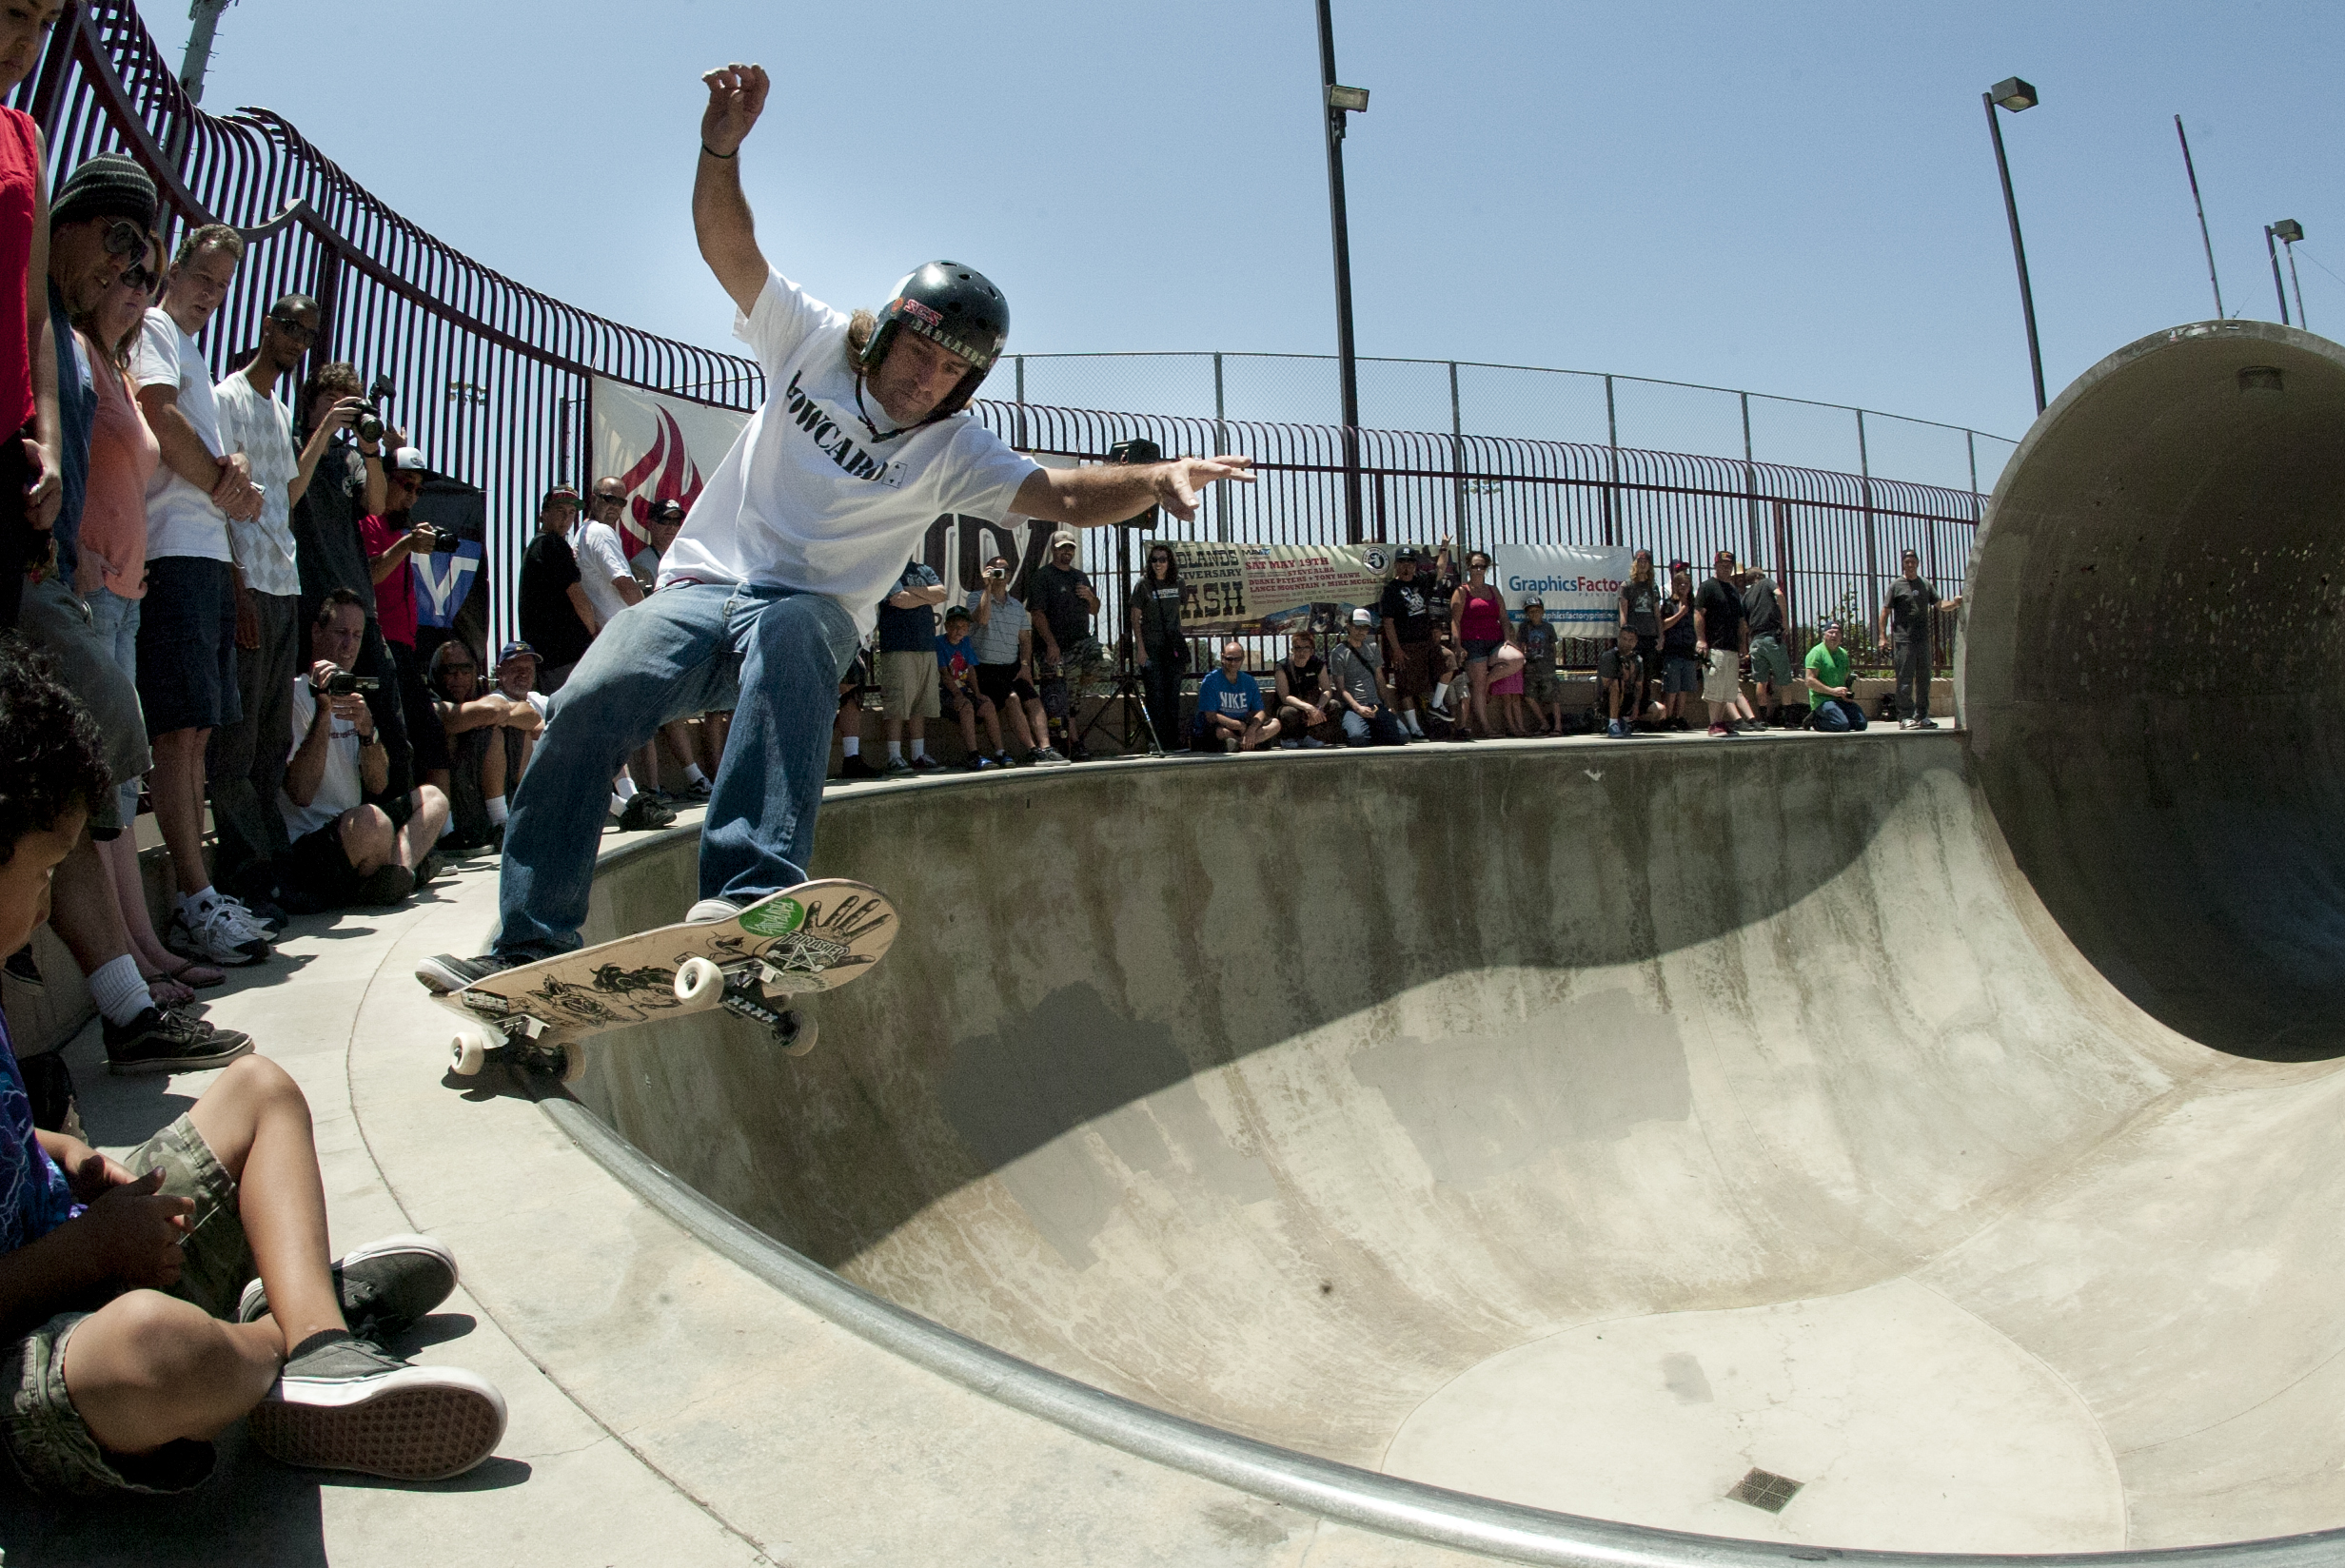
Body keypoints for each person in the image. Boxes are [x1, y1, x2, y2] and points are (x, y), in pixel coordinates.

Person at [418, 60, 1251, 990]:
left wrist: (1156, 476)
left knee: (795, 616)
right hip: (700, 592)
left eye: (951, 373)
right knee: (586, 702)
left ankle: (745, 899)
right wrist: (719, 149)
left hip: (799, 627)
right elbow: (729, 249)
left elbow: (1062, 493)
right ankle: (527, 947)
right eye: (922, 352)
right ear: (889, 332)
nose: (926, 379)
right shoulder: (811, 342)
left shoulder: (953, 448)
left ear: (966, 387)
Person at [0, 640, 507, 1490]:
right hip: (37, 1350)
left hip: (79, 1250)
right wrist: (88, 1257)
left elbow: (16, 1135)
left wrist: (77, 1161)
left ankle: (317, 1349)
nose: (53, 904)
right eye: (45, 872)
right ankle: (277, 1326)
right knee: (157, 1354)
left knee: (260, 1090)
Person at [130, 224, 273, 967]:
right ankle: (192, 896)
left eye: (223, 285)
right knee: (178, 733)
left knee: (199, 733)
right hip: (173, 550)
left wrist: (233, 466)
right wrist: (225, 480)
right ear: (174, 270)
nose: (211, 295)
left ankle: (202, 892)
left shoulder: (191, 349)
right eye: (203, 277)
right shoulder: (154, 328)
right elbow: (157, 413)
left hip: (209, 558)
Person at [208, 294, 327, 895]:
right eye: (289, 329)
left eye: (307, 335)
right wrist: (236, 586)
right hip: (249, 581)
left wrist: (327, 429)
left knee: (274, 738)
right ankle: (246, 876)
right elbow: (219, 496)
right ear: (265, 326)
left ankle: (270, 867)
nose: (297, 342)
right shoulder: (226, 397)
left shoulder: (278, 410)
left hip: (285, 583)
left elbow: (289, 493)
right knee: (241, 738)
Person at [255, 591, 449, 912]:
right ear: (317, 633)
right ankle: (398, 872)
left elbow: (376, 784)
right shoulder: (293, 695)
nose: (349, 645)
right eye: (340, 633)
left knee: (434, 799)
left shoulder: (356, 694)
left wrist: (368, 733)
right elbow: (301, 793)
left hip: (354, 830)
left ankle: (394, 875)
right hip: (309, 843)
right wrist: (323, 711)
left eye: (357, 635)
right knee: (375, 824)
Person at [286, 362, 402, 786]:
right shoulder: (294, 442)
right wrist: (323, 432)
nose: (339, 410)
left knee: (383, 710)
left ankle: (392, 814)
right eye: (331, 401)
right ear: (311, 403)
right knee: (311, 706)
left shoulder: (349, 456)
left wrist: (370, 451)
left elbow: (375, 503)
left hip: (358, 607)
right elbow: (288, 489)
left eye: (346, 404)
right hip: (310, 602)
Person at [0, 8, 63, 634]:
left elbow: (35, 310)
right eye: (16, 12)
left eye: (45, 23)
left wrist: (50, 444)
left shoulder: (25, 136)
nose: (29, 41)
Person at [356, 447, 458, 797]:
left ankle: (439, 833)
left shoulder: (401, 528)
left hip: (406, 648)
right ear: (383, 481)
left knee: (431, 741)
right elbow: (368, 575)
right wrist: (406, 545)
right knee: (396, 741)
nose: (412, 497)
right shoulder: (368, 520)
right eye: (406, 485)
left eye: (418, 490)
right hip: (378, 644)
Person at [429, 638, 540, 851]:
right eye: (450, 670)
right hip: (455, 801)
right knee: (444, 736)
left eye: (465, 669)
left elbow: (530, 716)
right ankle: (447, 833)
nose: (458, 677)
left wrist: (495, 716)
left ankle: (502, 822)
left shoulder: (481, 697)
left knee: (510, 730)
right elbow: (450, 719)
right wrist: (493, 713)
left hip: (480, 797)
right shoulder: (429, 700)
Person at [969, 550, 1054, 765]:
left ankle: (1047, 748)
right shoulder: (974, 598)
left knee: (1033, 699)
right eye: (996, 570)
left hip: (1012, 666)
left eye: (1005, 570)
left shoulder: (1016, 605)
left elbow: (1025, 639)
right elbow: (982, 619)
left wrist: (1025, 665)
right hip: (985, 668)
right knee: (1013, 699)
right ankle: (1032, 750)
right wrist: (987, 587)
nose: (1001, 574)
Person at [1027, 529, 1102, 760]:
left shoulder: (1079, 576)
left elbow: (1095, 609)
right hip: (1055, 647)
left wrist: (1090, 597)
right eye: (1063, 548)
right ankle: (1073, 743)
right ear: (1053, 550)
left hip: (1081, 642)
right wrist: (1051, 644)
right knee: (1062, 698)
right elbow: (1037, 613)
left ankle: (1076, 693)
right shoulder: (1043, 576)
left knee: (1104, 662)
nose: (1067, 552)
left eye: (1070, 548)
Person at [517, 484, 592, 690]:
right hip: (564, 657)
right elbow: (576, 595)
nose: (566, 518)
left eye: (571, 512)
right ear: (544, 514)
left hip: (549, 658)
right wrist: (595, 632)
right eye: (560, 510)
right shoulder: (552, 544)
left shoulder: (537, 545)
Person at [877, 555, 947, 774]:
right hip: (898, 645)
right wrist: (928, 596)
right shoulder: (887, 567)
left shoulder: (923, 569)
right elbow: (899, 599)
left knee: (920, 703)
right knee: (898, 703)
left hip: (926, 644)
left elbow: (942, 594)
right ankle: (894, 757)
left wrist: (912, 592)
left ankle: (918, 755)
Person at [1881, 547, 1960, 730]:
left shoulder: (1925, 585)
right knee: (1905, 678)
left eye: (1913, 561)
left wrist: (1955, 604)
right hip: (1903, 640)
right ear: (1903, 564)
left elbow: (1940, 605)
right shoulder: (1896, 585)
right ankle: (1905, 717)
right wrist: (1882, 637)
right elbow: (1885, 612)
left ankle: (1922, 716)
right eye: (1907, 561)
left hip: (1922, 640)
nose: (1910, 564)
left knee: (1925, 679)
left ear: (1917, 563)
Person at [1376, 546, 1439, 741]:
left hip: (1425, 642)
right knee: (1405, 686)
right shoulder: (1391, 590)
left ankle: (1437, 707)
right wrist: (1396, 649)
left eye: (1410, 562)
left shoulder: (1422, 581)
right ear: (1396, 565)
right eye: (1402, 562)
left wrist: (1444, 548)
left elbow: (1441, 571)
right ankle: (1414, 727)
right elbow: (1388, 622)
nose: (1406, 567)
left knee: (1448, 662)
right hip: (1404, 645)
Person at [1130, 540, 1186, 755]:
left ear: (1169, 562)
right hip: (1151, 646)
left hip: (1173, 646)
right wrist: (1140, 649)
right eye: (1154, 560)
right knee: (1155, 694)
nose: (1158, 564)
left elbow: (1181, 609)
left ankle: (1173, 742)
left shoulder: (1178, 582)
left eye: (1162, 559)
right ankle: (1156, 741)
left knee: (1173, 695)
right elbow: (1135, 617)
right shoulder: (1143, 584)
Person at [1694, 549, 1755, 737]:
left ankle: (1721, 721)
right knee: (1715, 686)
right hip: (1714, 645)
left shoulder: (1733, 591)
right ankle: (1713, 724)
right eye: (1723, 566)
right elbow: (1698, 614)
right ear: (1715, 566)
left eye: (1729, 567)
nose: (1726, 569)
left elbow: (1740, 621)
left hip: (1731, 647)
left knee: (1727, 688)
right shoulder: (1707, 587)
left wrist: (1743, 645)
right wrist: (1701, 639)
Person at [1447, 549, 1506, 739]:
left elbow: (1503, 618)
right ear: (1468, 568)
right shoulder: (1461, 591)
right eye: (1474, 566)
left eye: (1482, 566)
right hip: (1473, 643)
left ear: (1486, 569)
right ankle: (1487, 727)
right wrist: (1458, 645)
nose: (1478, 569)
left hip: (1495, 641)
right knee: (1478, 685)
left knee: (1517, 659)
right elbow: (1455, 621)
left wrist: (1509, 640)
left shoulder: (1493, 590)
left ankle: (1488, 681)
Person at [934, 606, 1001, 769]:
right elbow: (944, 673)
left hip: (964, 691)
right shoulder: (939, 643)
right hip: (945, 694)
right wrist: (958, 695)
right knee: (966, 707)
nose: (959, 631)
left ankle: (1000, 753)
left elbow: (970, 669)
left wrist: (977, 693)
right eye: (955, 626)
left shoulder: (966, 643)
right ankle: (973, 755)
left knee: (987, 706)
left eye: (963, 627)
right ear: (947, 626)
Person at [1329, 607, 1404, 746]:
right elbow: (1341, 688)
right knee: (1357, 738)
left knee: (1402, 736)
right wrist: (1357, 708)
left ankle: (1375, 729)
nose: (1361, 631)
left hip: (1375, 704)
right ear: (1349, 626)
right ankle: (1362, 729)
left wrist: (1388, 705)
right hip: (1354, 706)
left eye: (1365, 627)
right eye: (1358, 627)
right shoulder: (1338, 652)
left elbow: (1380, 679)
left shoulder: (1372, 647)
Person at [1192, 640, 1278, 753]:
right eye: (1229, 659)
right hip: (1221, 726)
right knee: (1221, 732)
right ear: (1222, 658)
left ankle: (1239, 744)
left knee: (1275, 724)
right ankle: (1249, 743)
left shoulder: (1249, 681)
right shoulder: (1210, 680)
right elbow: (1211, 716)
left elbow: (1260, 712)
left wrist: (1251, 729)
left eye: (1237, 659)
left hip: (1243, 727)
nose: (1233, 663)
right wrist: (1238, 726)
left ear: (1242, 659)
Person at [1740, 561, 1794, 730]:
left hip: (1755, 641)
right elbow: (1779, 595)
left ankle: (1763, 718)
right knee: (1784, 679)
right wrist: (1785, 622)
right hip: (1772, 637)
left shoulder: (1746, 596)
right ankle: (1789, 719)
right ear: (1758, 576)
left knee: (1760, 680)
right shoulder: (1767, 583)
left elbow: (1743, 624)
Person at [1271, 628, 1333, 749]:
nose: (1301, 652)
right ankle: (1288, 738)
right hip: (1293, 706)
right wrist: (1308, 708)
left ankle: (1315, 737)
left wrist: (1318, 708)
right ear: (1292, 650)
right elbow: (1285, 697)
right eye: (1297, 648)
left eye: (1305, 648)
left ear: (1312, 650)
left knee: (1334, 705)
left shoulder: (1318, 664)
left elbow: (1327, 689)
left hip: (1313, 705)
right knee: (1288, 712)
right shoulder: (1282, 666)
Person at [1803, 620, 1867, 732]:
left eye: (1837, 633)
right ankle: (1815, 720)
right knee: (1841, 725)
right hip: (1822, 700)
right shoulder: (1816, 653)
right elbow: (1809, 681)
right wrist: (1832, 691)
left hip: (1839, 699)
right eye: (1831, 632)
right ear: (1824, 635)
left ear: (1841, 636)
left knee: (1861, 724)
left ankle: (1839, 719)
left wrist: (1846, 694)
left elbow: (1846, 678)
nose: (1834, 635)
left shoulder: (1843, 653)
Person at [1658, 563, 1701, 729]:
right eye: (1680, 584)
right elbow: (1663, 625)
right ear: (1674, 586)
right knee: (1672, 687)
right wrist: (1680, 614)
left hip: (1688, 650)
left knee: (1685, 687)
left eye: (1686, 584)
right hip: (1672, 650)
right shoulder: (1669, 604)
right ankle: (1667, 718)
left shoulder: (1693, 605)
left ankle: (1679, 716)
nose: (1683, 587)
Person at [1517, 596, 1564, 735]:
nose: (1534, 614)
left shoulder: (1548, 627)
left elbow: (1553, 647)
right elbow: (1522, 647)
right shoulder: (1524, 627)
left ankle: (1558, 727)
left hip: (1547, 668)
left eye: (1537, 611)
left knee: (1553, 698)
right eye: (1531, 612)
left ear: (1542, 612)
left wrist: (1552, 663)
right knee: (1529, 696)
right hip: (1531, 667)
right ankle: (1544, 723)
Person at [1598, 626, 1643, 740]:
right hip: (1608, 701)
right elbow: (1606, 684)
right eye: (1624, 639)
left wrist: (1636, 705)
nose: (1627, 643)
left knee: (1658, 711)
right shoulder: (1609, 657)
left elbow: (1638, 685)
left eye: (1630, 640)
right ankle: (1613, 723)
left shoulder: (1637, 659)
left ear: (1636, 642)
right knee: (1617, 683)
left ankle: (1625, 721)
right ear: (1618, 639)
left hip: (1628, 698)